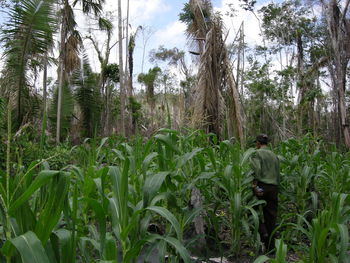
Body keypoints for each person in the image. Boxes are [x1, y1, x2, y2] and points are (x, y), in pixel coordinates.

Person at [250, 134, 280, 252]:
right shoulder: (274, 155)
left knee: (252, 210)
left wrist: (254, 185)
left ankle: (263, 233)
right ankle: (270, 246)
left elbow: (256, 170)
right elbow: (278, 173)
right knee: (271, 216)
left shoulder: (257, 153)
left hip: (261, 186)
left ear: (258, 143)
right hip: (273, 187)